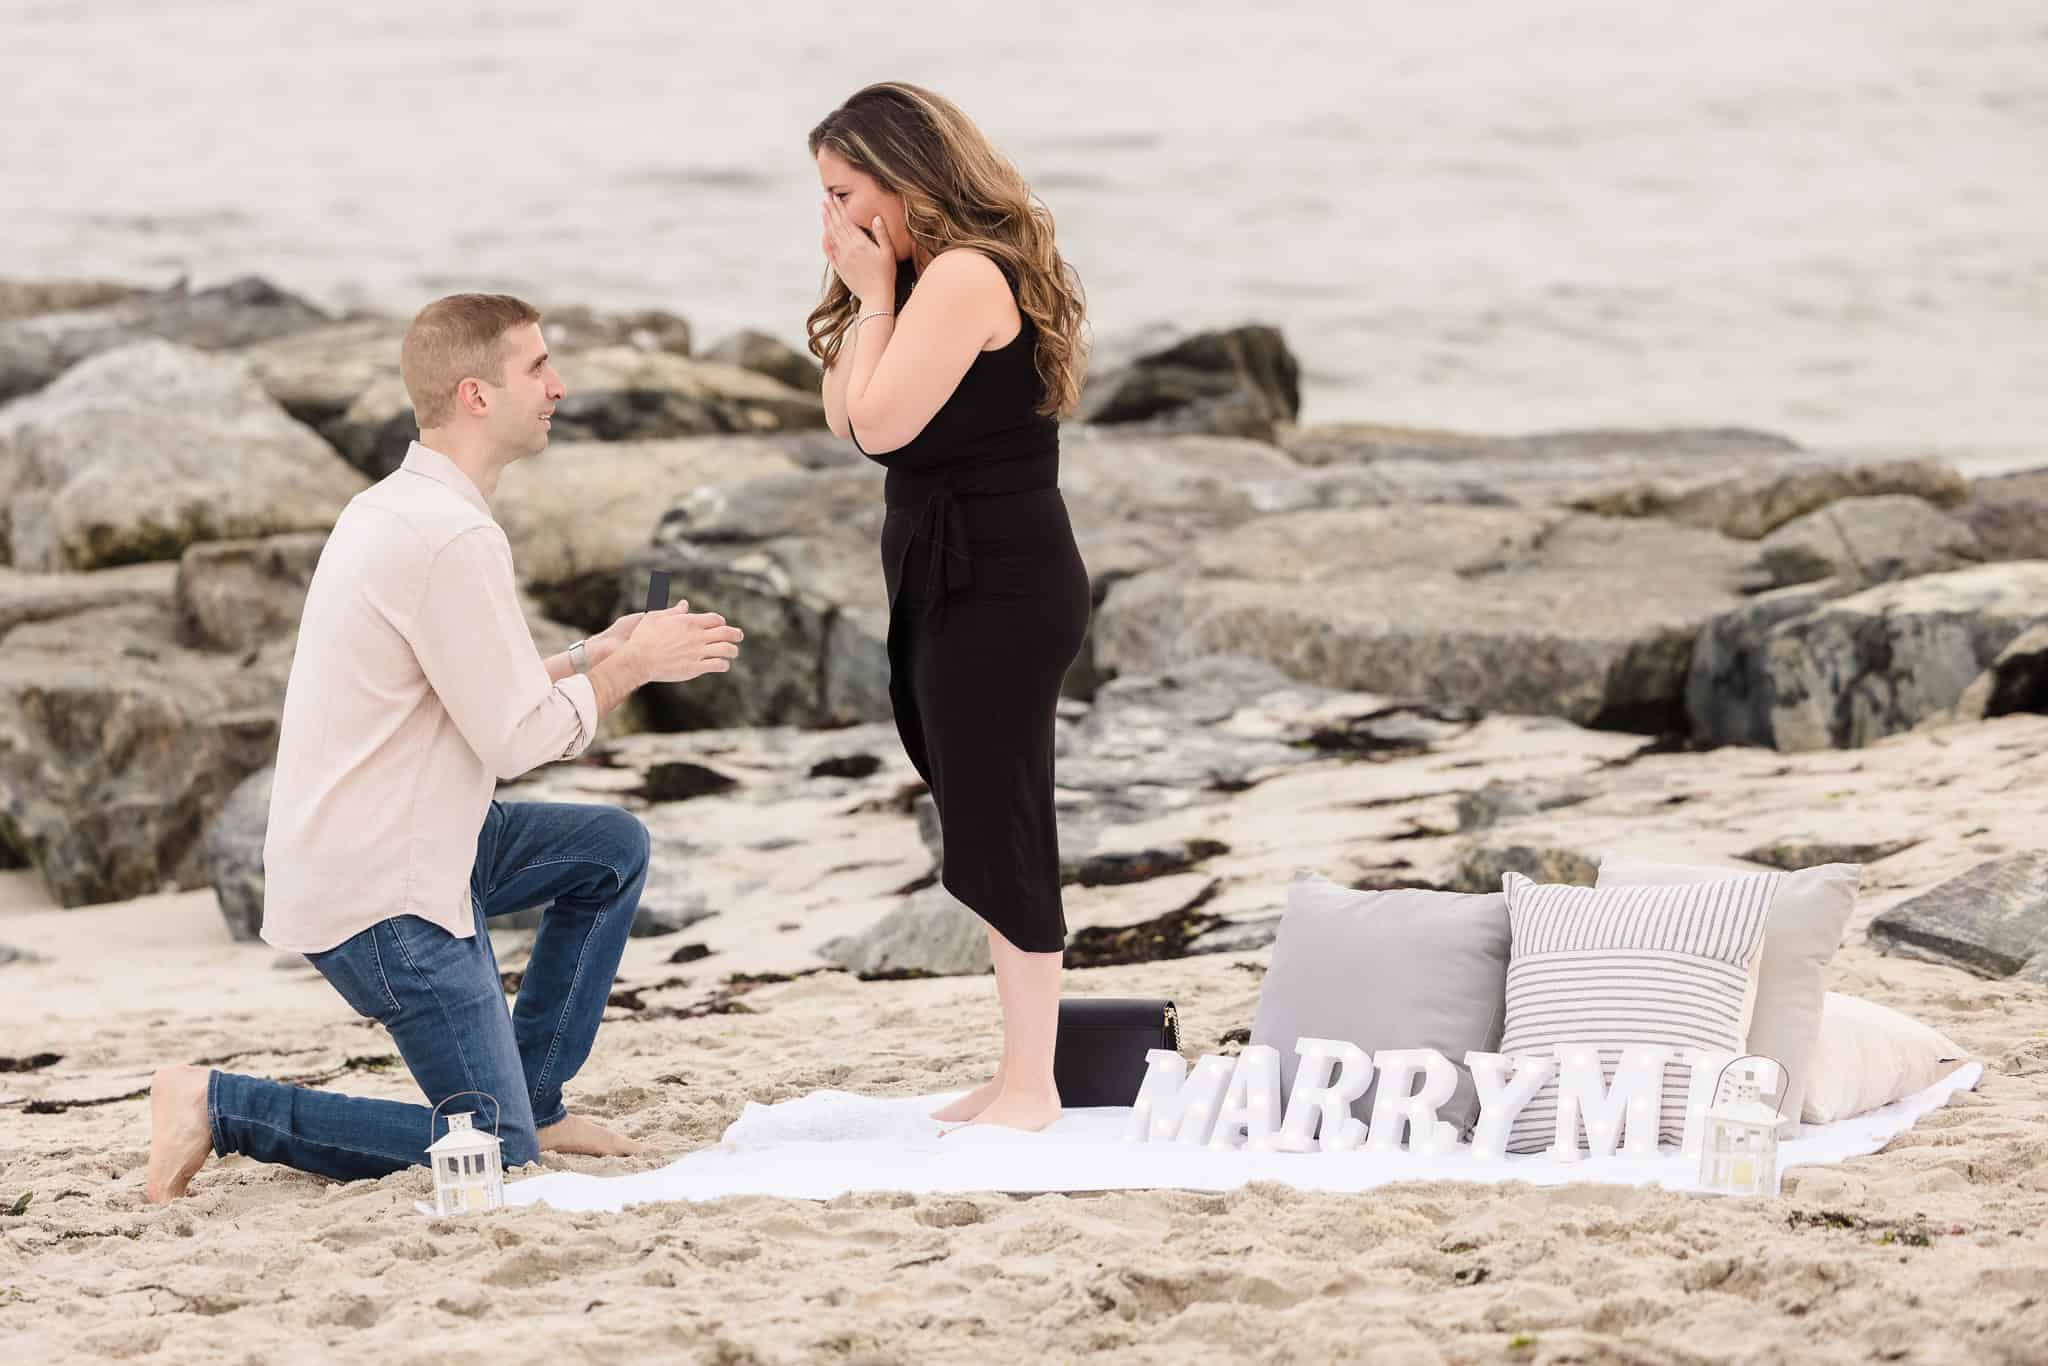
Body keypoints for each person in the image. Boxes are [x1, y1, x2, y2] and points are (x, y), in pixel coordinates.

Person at [143, 293, 745, 1202]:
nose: (558, 385)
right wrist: (637, 673)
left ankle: (536, 1096)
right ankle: (219, 1106)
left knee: (608, 852)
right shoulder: (449, 534)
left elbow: (473, 690)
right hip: (388, 893)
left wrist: (597, 652)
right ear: (475, 393)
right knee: (493, 1153)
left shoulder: (400, 507)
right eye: (537, 368)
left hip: (417, 838)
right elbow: (514, 738)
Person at [810, 83, 1091, 1132]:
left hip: (1001, 580)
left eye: (845, 191)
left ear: (904, 175)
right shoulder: (921, 277)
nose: (833, 217)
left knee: (1003, 815)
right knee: (980, 811)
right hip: (948, 576)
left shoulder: (967, 275)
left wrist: (874, 297)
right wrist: (868, 287)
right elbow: (846, 412)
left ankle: (1033, 1084)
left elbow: (879, 426)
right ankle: (1020, 1069)